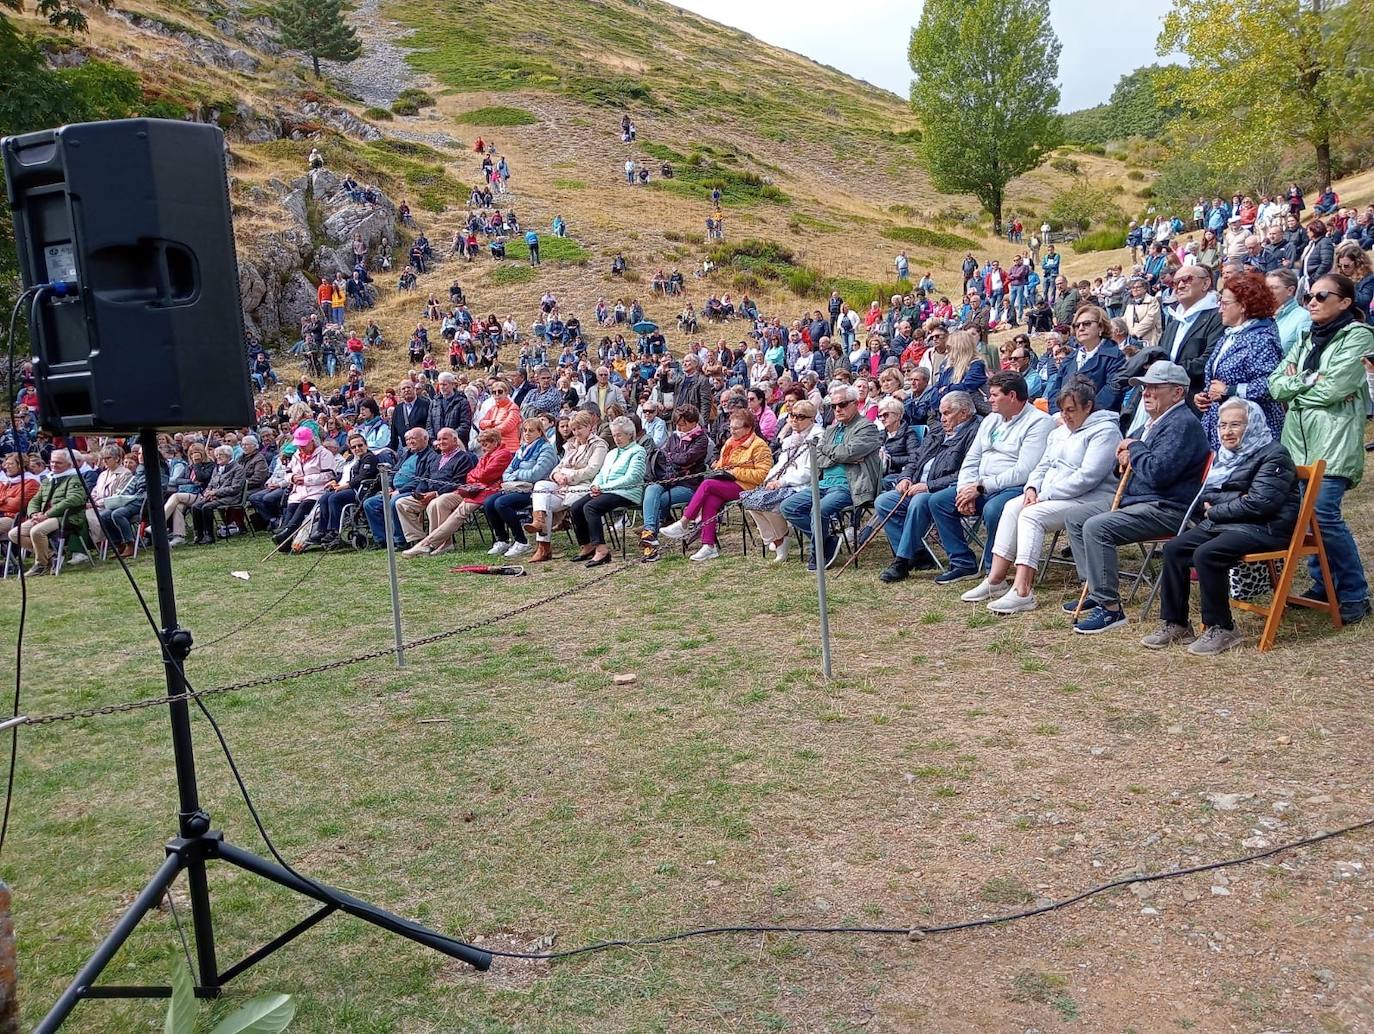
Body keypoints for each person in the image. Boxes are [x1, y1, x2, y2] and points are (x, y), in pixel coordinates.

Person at [1144, 398, 1300, 653]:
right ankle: (1176, 623)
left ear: (1252, 426)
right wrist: (1229, 501)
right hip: (1227, 523)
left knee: (1207, 554)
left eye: (1235, 425)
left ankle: (1223, 628)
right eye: (1222, 425)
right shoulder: (1228, 456)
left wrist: (1217, 508)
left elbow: (1260, 504)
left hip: (1264, 527)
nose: (1227, 432)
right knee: (1174, 549)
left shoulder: (1274, 455)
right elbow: (1210, 495)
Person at [1067, 360, 1211, 634]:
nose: (1145, 393)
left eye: (1155, 387)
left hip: (1169, 507)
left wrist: (1134, 448)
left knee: (1097, 527)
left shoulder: (1182, 423)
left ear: (1178, 393)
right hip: (1139, 501)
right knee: (1075, 518)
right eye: (1144, 387)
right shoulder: (1152, 422)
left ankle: (1110, 610)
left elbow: (1157, 473)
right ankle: (1097, 590)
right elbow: (1124, 461)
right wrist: (1125, 454)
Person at [1267, 273, 1372, 623]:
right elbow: (1276, 385)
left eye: (1321, 295)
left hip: (1334, 440)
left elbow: (1336, 388)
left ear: (1344, 302)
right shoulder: (1306, 336)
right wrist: (1308, 379)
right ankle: (1323, 584)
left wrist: (1297, 385)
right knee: (1306, 517)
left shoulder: (1359, 337)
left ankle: (1355, 594)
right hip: (1297, 441)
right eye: (1308, 296)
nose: (1311, 301)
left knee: (1324, 514)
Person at [972, 377, 1122, 612]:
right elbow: (1041, 466)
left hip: (1092, 498)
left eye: (1071, 410)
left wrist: (1045, 494)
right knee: (1013, 506)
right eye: (1062, 411)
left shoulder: (1106, 432)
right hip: (1052, 495)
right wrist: (1032, 488)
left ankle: (1023, 590)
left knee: (1031, 515)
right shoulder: (1060, 432)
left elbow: (1088, 477)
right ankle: (996, 580)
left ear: (1088, 407)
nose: (1065, 416)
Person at [928, 372, 1053, 585]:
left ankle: (993, 572)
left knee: (995, 509)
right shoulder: (991, 420)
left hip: (1015, 487)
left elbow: (1024, 470)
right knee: (938, 502)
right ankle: (962, 562)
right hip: (980, 484)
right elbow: (972, 457)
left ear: (1012, 396)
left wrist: (980, 487)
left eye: (994, 395)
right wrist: (964, 490)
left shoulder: (1039, 422)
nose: (989, 399)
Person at [873, 391, 980, 583]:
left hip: (943, 491)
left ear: (964, 413)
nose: (942, 419)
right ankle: (918, 554)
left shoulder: (975, 432)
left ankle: (902, 561)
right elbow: (914, 459)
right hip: (915, 487)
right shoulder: (938, 432)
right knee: (883, 501)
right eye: (941, 414)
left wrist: (928, 486)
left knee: (920, 501)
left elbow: (966, 472)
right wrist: (905, 477)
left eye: (947, 413)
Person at [779, 384, 883, 571]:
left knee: (818, 510)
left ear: (855, 403)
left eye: (842, 404)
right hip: (823, 483)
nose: (837, 409)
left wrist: (830, 451)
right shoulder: (830, 430)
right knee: (788, 507)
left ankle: (818, 554)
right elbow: (818, 459)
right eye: (833, 406)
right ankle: (828, 540)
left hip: (850, 486)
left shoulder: (867, 427)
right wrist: (840, 455)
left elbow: (849, 452)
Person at [658, 409, 772, 562]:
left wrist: (734, 472)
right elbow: (722, 465)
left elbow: (761, 475)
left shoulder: (759, 446)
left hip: (747, 487)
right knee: (710, 499)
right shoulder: (730, 442)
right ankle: (708, 546)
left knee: (707, 485)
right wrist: (718, 468)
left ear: (748, 428)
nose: (732, 431)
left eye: (736, 428)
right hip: (727, 483)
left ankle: (684, 522)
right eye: (730, 427)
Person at [1195, 270, 1284, 450]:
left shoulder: (1261, 339)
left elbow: (1271, 385)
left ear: (1243, 306)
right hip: (1221, 427)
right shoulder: (1229, 335)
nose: (1220, 309)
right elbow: (1217, 379)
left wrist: (1229, 390)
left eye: (1225, 303)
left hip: (1249, 434)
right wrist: (1206, 395)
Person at [402, 428, 512, 556]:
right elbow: (471, 476)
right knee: (404, 503)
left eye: (486, 444)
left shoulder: (502, 454)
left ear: (495, 442)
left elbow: (483, 475)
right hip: (475, 492)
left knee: (446, 507)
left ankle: (429, 544)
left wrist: (476, 477)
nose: (483, 448)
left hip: (486, 493)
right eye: (481, 444)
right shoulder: (487, 456)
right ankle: (426, 543)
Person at [741, 400, 821, 561]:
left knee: (770, 504)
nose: (794, 420)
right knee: (751, 501)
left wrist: (781, 482)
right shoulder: (791, 438)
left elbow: (809, 472)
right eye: (792, 415)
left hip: (802, 485)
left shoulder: (817, 437)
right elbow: (781, 464)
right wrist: (770, 478)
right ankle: (776, 538)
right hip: (784, 482)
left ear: (812, 419)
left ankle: (782, 539)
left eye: (800, 417)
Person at [525, 410, 607, 562]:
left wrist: (569, 477)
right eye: (574, 429)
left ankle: (544, 543)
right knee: (541, 487)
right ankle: (542, 538)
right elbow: (559, 466)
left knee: (546, 502)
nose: (576, 433)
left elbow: (592, 470)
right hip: (563, 486)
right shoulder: (571, 445)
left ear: (589, 427)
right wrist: (556, 475)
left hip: (584, 486)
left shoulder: (599, 445)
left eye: (579, 428)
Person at [568, 417, 647, 567]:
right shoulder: (611, 453)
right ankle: (587, 545)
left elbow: (632, 478)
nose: (616, 438)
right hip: (606, 491)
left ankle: (602, 550)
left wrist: (604, 488)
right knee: (576, 507)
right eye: (614, 435)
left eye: (620, 435)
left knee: (590, 507)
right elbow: (601, 474)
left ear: (630, 435)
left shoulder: (638, 451)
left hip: (627, 492)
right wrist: (595, 486)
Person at [639, 403, 709, 561]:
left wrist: (673, 456)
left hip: (690, 485)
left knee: (656, 501)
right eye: (677, 424)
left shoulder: (701, 439)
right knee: (651, 489)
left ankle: (651, 547)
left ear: (692, 422)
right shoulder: (674, 437)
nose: (679, 427)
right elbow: (667, 456)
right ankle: (649, 535)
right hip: (668, 479)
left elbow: (686, 458)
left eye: (682, 424)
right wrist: (675, 458)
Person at [483, 418, 558, 558]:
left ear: (540, 432)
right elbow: (506, 473)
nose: (527, 434)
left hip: (534, 490)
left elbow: (537, 474)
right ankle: (502, 540)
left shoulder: (546, 449)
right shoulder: (521, 449)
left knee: (502, 503)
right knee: (489, 502)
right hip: (516, 487)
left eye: (531, 431)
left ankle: (521, 541)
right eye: (524, 430)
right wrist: (517, 475)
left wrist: (517, 474)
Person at [394, 427, 474, 547]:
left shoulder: (464, 458)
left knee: (435, 503)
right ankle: (418, 540)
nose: (441, 442)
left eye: (445, 439)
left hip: (454, 493)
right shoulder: (437, 458)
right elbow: (424, 479)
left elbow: (458, 482)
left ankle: (440, 544)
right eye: (439, 439)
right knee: (402, 503)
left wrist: (436, 493)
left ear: (455, 440)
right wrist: (420, 493)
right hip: (430, 494)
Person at [8, 449, 83, 575]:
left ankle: (41, 565)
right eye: (52, 462)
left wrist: (47, 515)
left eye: (58, 463)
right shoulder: (48, 479)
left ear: (69, 465)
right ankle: (51, 556)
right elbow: (35, 500)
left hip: (66, 517)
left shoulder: (75, 478)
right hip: (43, 516)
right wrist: (34, 514)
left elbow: (73, 500)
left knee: (37, 531)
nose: (53, 465)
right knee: (14, 534)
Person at [1156, 265, 1222, 397]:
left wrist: (1168, 373)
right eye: (1175, 282)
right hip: (1167, 397)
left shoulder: (1218, 317)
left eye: (1187, 279)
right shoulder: (1174, 321)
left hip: (1197, 399)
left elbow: (1210, 360)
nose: (1180, 286)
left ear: (1206, 283)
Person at [309, 433, 380, 549]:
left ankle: (334, 531)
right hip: (345, 486)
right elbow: (343, 474)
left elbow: (363, 476)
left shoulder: (369, 458)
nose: (357, 449)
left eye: (360, 445)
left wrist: (346, 486)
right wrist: (334, 481)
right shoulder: (351, 458)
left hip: (359, 489)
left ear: (366, 445)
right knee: (324, 498)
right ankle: (322, 530)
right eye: (353, 447)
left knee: (334, 498)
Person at [1048, 305, 1124, 412]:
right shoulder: (1069, 358)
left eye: (1087, 324)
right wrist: (1057, 414)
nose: (1081, 328)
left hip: (1098, 419)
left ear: (1101, 327)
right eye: (1076, 325)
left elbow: (1111, 393)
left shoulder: (1116, 357)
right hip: (1064, 419)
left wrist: (1080, 415)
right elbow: (1055, 390)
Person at [273, 427, 336, 545]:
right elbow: (287, 473)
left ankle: (287, 533)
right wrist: (292, 478)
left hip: (317, 491)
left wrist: (306, 480)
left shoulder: (324, 454)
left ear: (312, 441)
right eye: (299, 445)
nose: (301, 447)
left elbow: (329, 475)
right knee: (291, 508)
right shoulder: (296, 455)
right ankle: (285, 537)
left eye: (304, 445)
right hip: (298, 492)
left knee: (303, 507)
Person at [189, 445, 246, 546]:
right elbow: (211, 483)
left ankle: (209, 535)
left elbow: (235, 488)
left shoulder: (238, 468)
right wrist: (207, 492)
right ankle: (199, 535)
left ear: (229, 456)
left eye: (221, 455)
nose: (218, 457)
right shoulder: (217, 468)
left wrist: (215, 493)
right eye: (216, 455)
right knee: (195, 506)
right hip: (216, 496)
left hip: (232, 497)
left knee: (206, 507)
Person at [1267, 268, 1312, 353]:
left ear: (1290, 290)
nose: (1268, 292)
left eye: (1273, 288)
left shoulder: (1304, 318)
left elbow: (1303, 353)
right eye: (1266, 288)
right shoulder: (1261, 315)